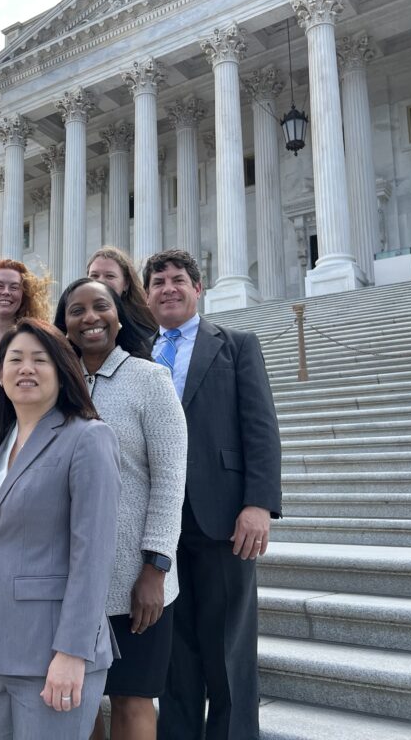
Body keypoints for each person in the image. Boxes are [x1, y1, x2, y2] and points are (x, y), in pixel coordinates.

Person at [0, 318, 121, 740]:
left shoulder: (88, 438)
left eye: (39, 360)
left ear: (62, 371)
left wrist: (71, 652)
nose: (25, 369)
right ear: (0, 375)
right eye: (15, 360)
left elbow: (93, 556)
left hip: (51, 650)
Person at [142, 250, 282, 740]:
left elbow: (260, 428)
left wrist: (259, 504)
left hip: (222, 517)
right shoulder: (139, 356)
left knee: (228, 654)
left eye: (178, 280)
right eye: (158, 282)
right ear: (146, 295)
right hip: (158, 527)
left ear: (198, 288)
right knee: (175, 658)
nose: (168, 289)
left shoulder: (236, 344)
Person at [54, 278, 187, 740]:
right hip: (70, 578)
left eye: (100, 307)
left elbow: (171, 482)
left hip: (136, 580)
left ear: (118, 315)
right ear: (64, 324)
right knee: (77, 699)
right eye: (77, 310)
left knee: (132, 700)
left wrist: (156, 567)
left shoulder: (150, 379)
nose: (90, 318)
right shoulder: (56, 386)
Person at [86, 246, 158, 341]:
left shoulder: (143, 333)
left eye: (110, 276)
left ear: (126, 284)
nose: (101, 281)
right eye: (94, 275)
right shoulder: (73, 321)